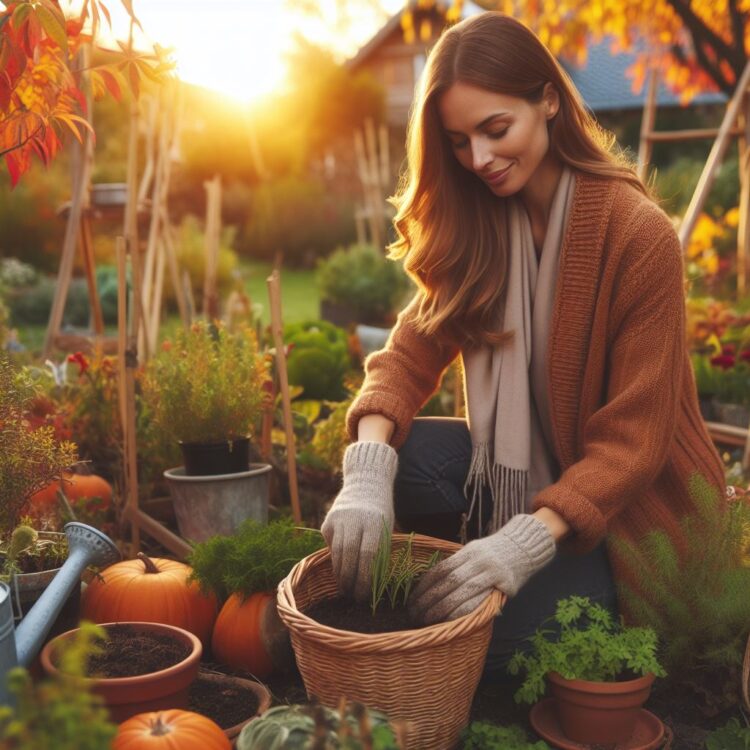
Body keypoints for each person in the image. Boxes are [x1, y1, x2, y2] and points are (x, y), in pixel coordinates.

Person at [320, 12, 726, 676]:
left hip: (631, 517)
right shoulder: (482, 223)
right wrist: (366, 470)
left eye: (494, 130)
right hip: (538, 493)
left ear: (547, 100)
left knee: (482, 651)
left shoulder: (637, 236)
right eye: (457, 141)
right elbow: (407, 354)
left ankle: (504, 576)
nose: (479, 159)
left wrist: (522, 544)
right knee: (406, 454)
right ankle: (471, 567)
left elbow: (633, 443)